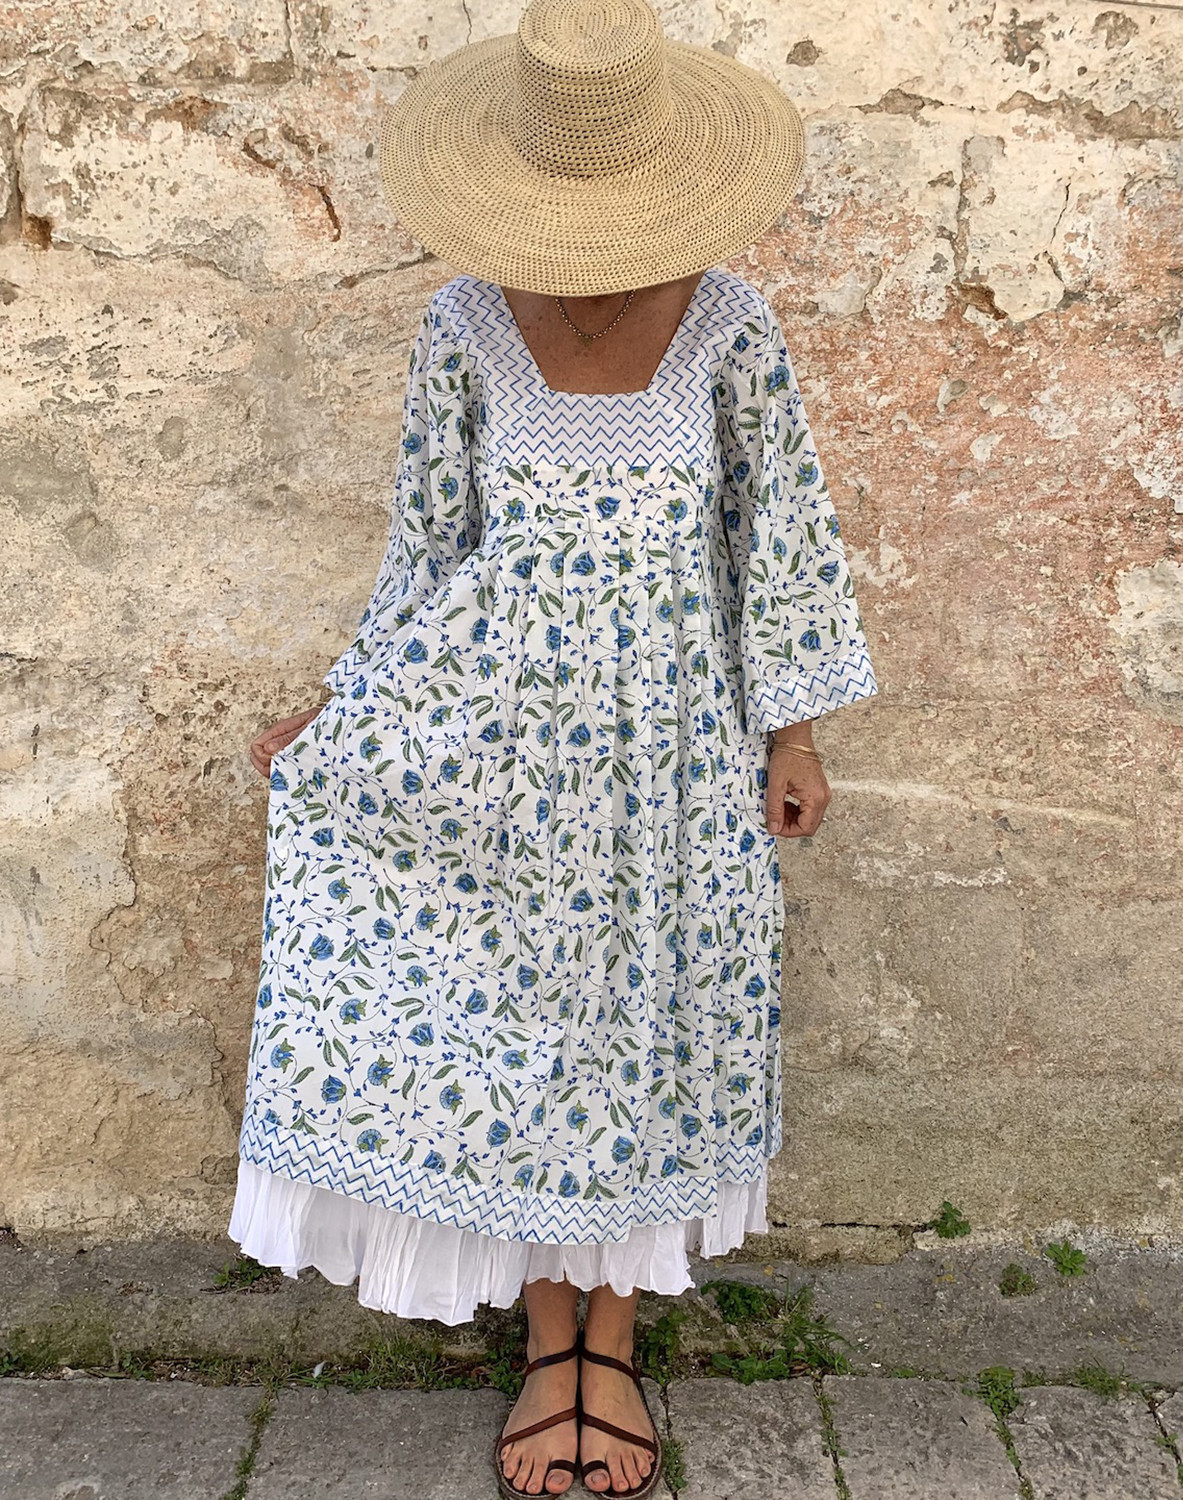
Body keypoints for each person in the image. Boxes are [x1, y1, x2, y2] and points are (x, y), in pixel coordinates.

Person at [228, 1, 879, 1495]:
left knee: (646, 1018)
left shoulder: (730, 328)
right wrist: (350, 703)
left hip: (674, 748)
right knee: (520, 1023)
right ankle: (546, 1346)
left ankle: (617, 1347)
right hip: (498, 740)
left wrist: (794, 732)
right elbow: (428, 548)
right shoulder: (462, 327)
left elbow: (777, 533)